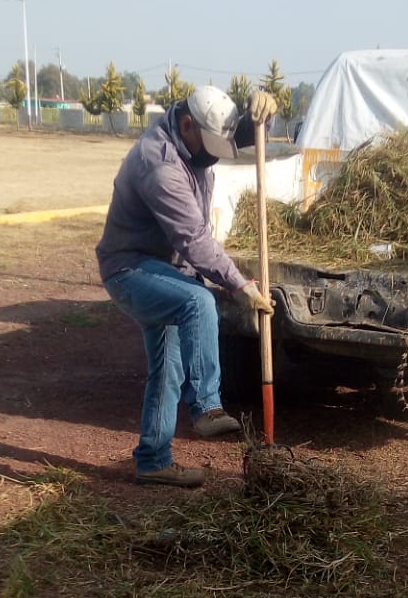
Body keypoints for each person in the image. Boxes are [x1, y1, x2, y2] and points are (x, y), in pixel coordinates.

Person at [96, 85, 277, 487]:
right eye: (209, 143)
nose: (214, 153)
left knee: (168, 365)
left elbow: (241, 134)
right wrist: (238, 285)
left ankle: (153, 459)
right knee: (198, 302)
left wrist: (263, 111)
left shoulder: (195, 142)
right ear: (187, 123)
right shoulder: (159, 164)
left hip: (162, 269)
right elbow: (193, 240)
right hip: (130, 269)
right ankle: (207, 408)